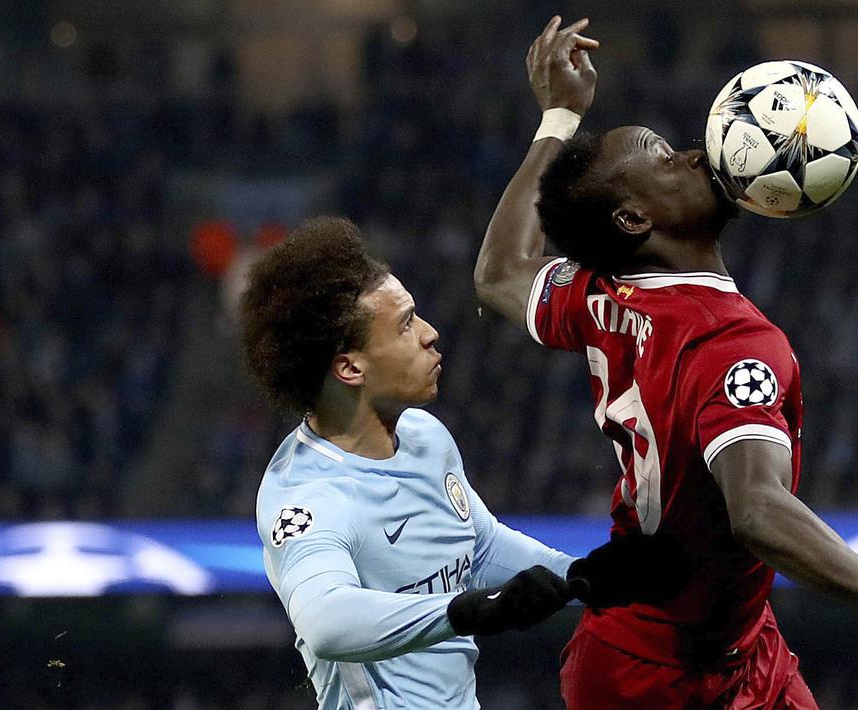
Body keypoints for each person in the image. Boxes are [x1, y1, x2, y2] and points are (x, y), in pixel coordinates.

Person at [475, 16, 858, 709]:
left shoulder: (598, 292)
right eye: (663, 159)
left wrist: (560, 115)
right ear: (634, 220)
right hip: (662, 681)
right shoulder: (729, 343)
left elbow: (501, 271)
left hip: (733, 647)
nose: (693, 153)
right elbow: (755, 510)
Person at [241, 217, 681, 709]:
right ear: (349, 367)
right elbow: (326, 622)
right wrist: (468, 610)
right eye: (405, 324)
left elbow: (479, 543)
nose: (430, 333)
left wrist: (580, 576)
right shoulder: (308, 498)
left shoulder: (425, 436)